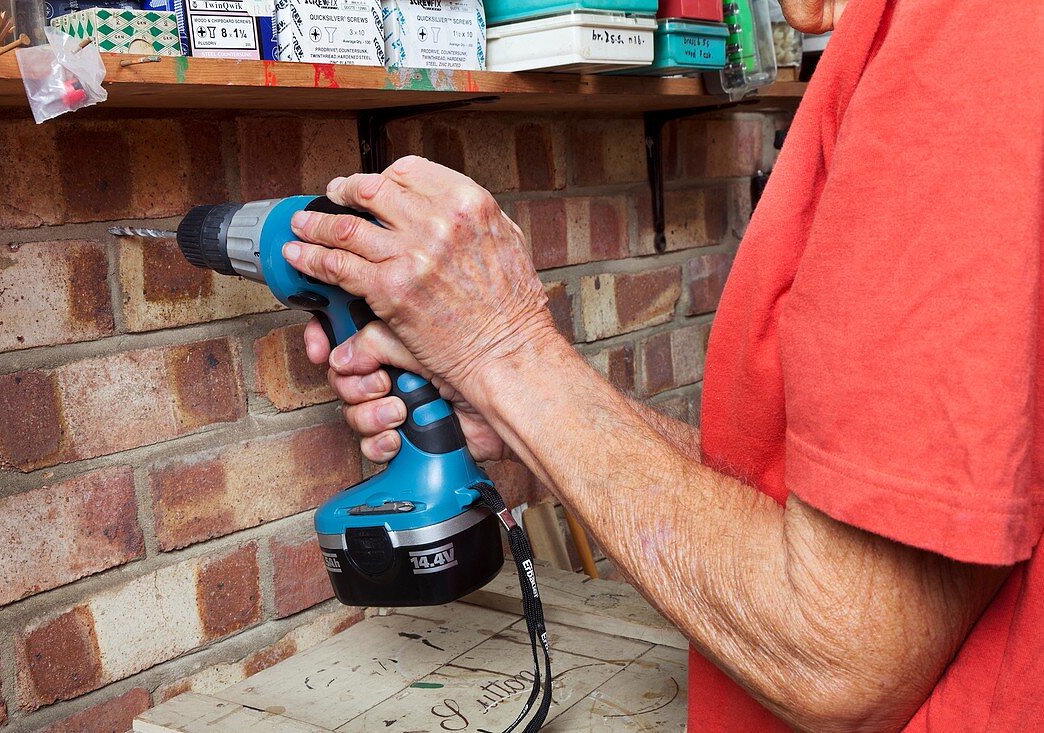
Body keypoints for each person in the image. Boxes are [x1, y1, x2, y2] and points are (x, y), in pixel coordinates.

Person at [280, 0, 1044, 729]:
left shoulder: (967, 34)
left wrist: (505, 351)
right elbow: (818, 519)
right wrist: (531, 422)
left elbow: (840, 653)